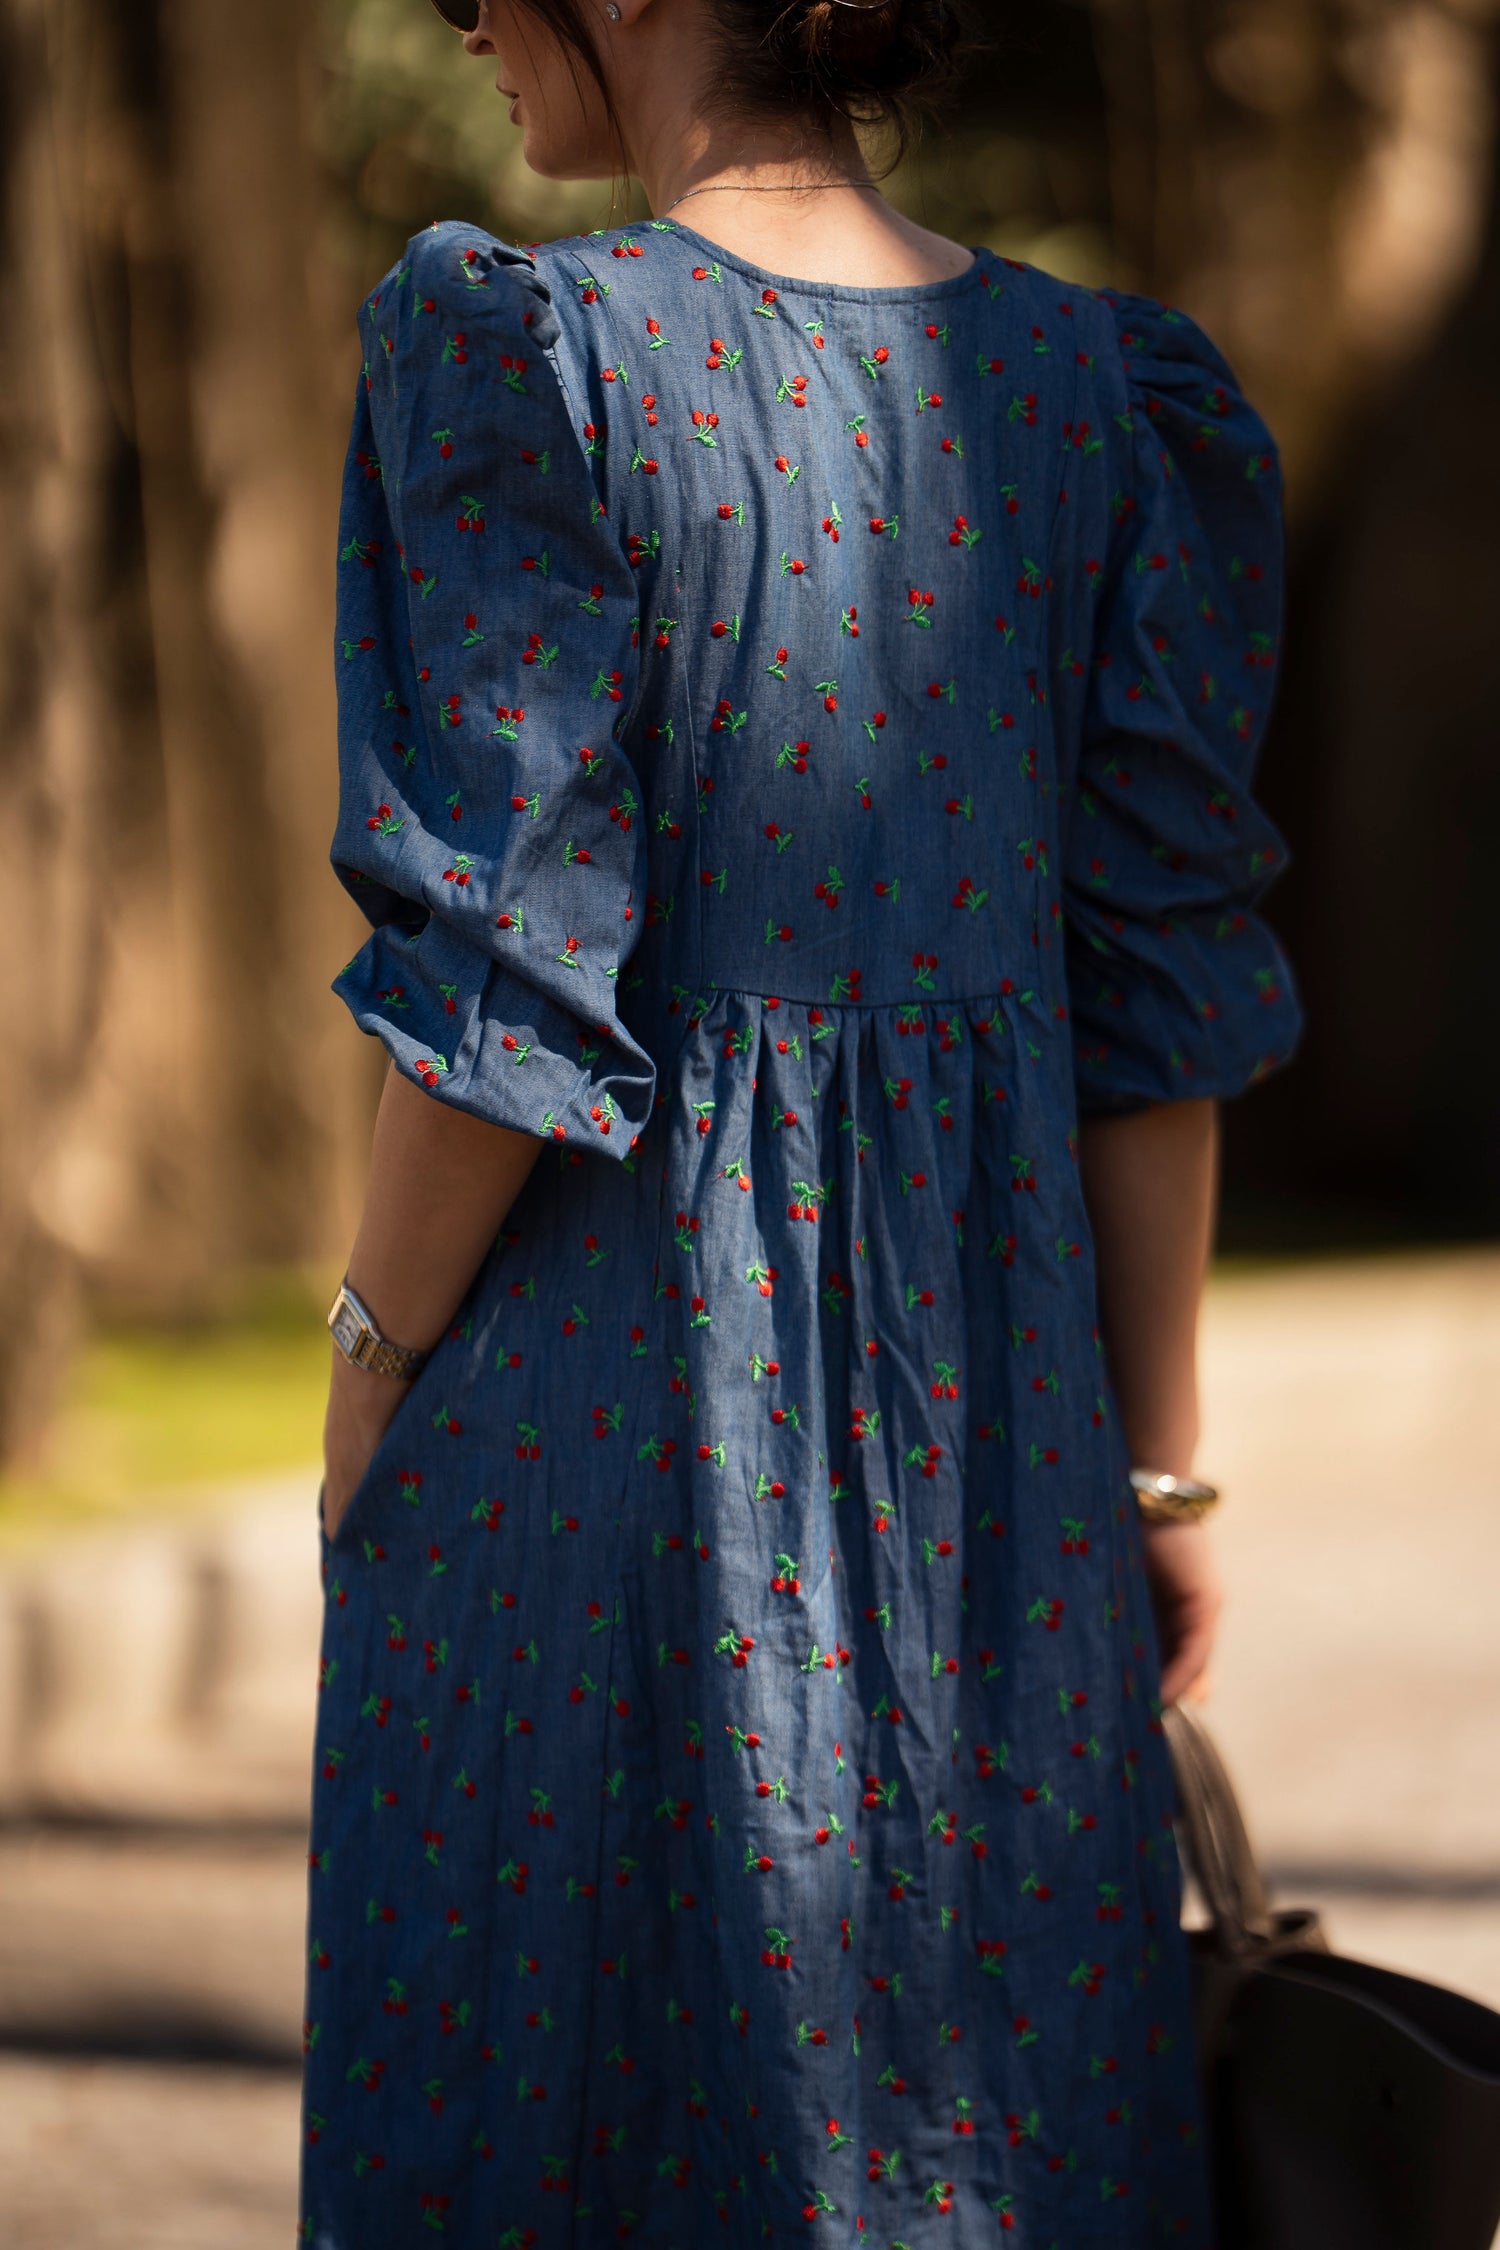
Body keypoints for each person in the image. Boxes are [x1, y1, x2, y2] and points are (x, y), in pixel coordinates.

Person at [302, 1, 1302, 2242]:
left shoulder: (533, 359)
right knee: (973, 2129)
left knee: (564, 2106)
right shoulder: (1100, 397)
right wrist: (1154, 1471)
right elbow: (1153, 1005)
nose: (463, 16)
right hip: (996, 1470)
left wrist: (371, 1359)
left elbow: (509, 979)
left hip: (592, 1451)